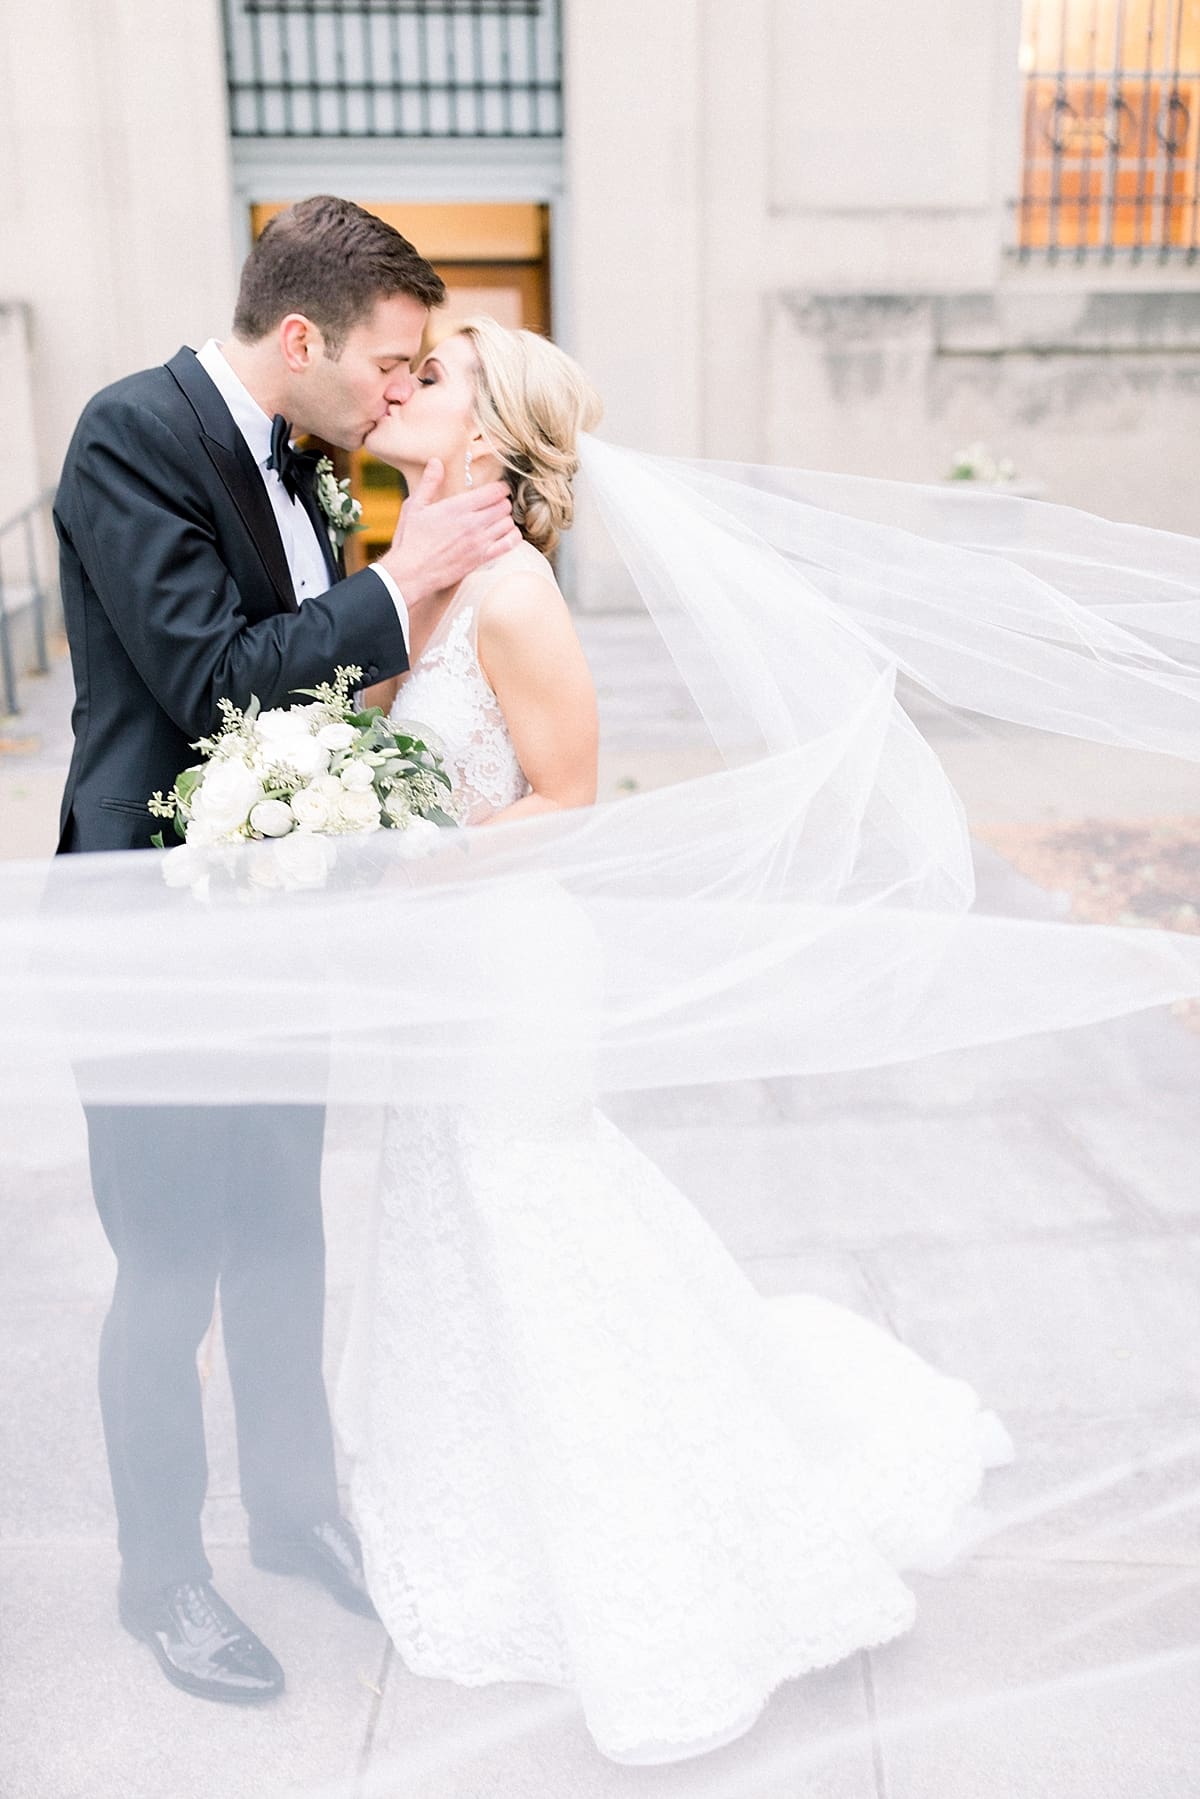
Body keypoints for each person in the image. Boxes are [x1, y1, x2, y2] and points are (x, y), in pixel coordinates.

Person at [336, 316, 1013, 1763]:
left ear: (492, 433)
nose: (398, 389)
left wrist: (399, 853)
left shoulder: (514, 595)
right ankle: (489, 1501)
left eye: (433, 376)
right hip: (439, 978)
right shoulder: (423, 579)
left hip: (509, 975)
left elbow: (564, 804)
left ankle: (667, 1534)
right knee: (455, 1226)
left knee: (537, 1220)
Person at [52, 197, 521, 1704]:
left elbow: (316, 699)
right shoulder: (130, 434)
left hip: (278, 928)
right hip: (148, 935)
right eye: (391, 366)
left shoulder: (308, 468)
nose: (402, 395)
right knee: (171, 1267)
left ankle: (297, 1512)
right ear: (303, 337)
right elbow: (209, 679)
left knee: (282, 1244)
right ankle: (162, 1581)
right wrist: (403, 583)